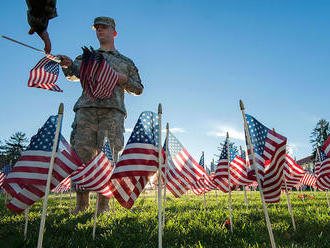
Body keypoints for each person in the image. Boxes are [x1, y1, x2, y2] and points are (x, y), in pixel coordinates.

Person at [58, 16, 144, 213]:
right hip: (86, 110)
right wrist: (67, 64)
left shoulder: (125, 62)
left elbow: (138, 88)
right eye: (97, 28)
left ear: (113, 32)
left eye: (103, 28)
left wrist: (123, 80)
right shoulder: (87, 58)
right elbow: (73, 73)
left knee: (108, 156)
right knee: (82, 155)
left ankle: (103, 206)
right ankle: (81, 204)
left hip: (112, 113)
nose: (99, 31)